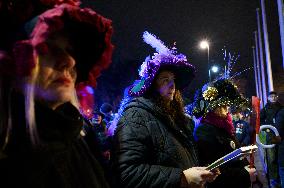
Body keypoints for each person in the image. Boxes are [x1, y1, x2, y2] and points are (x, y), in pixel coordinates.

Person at [0, 2, 114, 188]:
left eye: (70, 50)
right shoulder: (10, 153)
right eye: (48, 47)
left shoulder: (80, 135)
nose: (69, 61)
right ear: (11, 62)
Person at [111, 31, 219, 188]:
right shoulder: (135, 114)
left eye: (173, 80)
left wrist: (203, 170)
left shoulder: (176, 117)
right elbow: (127, 173)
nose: (172, 85)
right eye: (165, 80)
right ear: (152, 85)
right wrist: (181, 178)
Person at [190, 79, 257, 188]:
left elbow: (235, 152)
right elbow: (211, 170)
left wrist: (247, 165)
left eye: (227, 105)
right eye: (223, 106)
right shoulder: (204, 131)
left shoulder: (224, 126)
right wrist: (244, 174)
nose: (227, 109)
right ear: (212, 108)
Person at [261, 91, 283, 188]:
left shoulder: (280, 107)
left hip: (280, 136)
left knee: (280, 157)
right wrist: (266, 129)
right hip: (270, 136)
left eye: (275, 96)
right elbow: (260, 120)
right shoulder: (265, 108)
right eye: (271, 96)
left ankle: (279, 177)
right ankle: (273, 179)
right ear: (268, 98)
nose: (273, 98)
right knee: (271, 158)